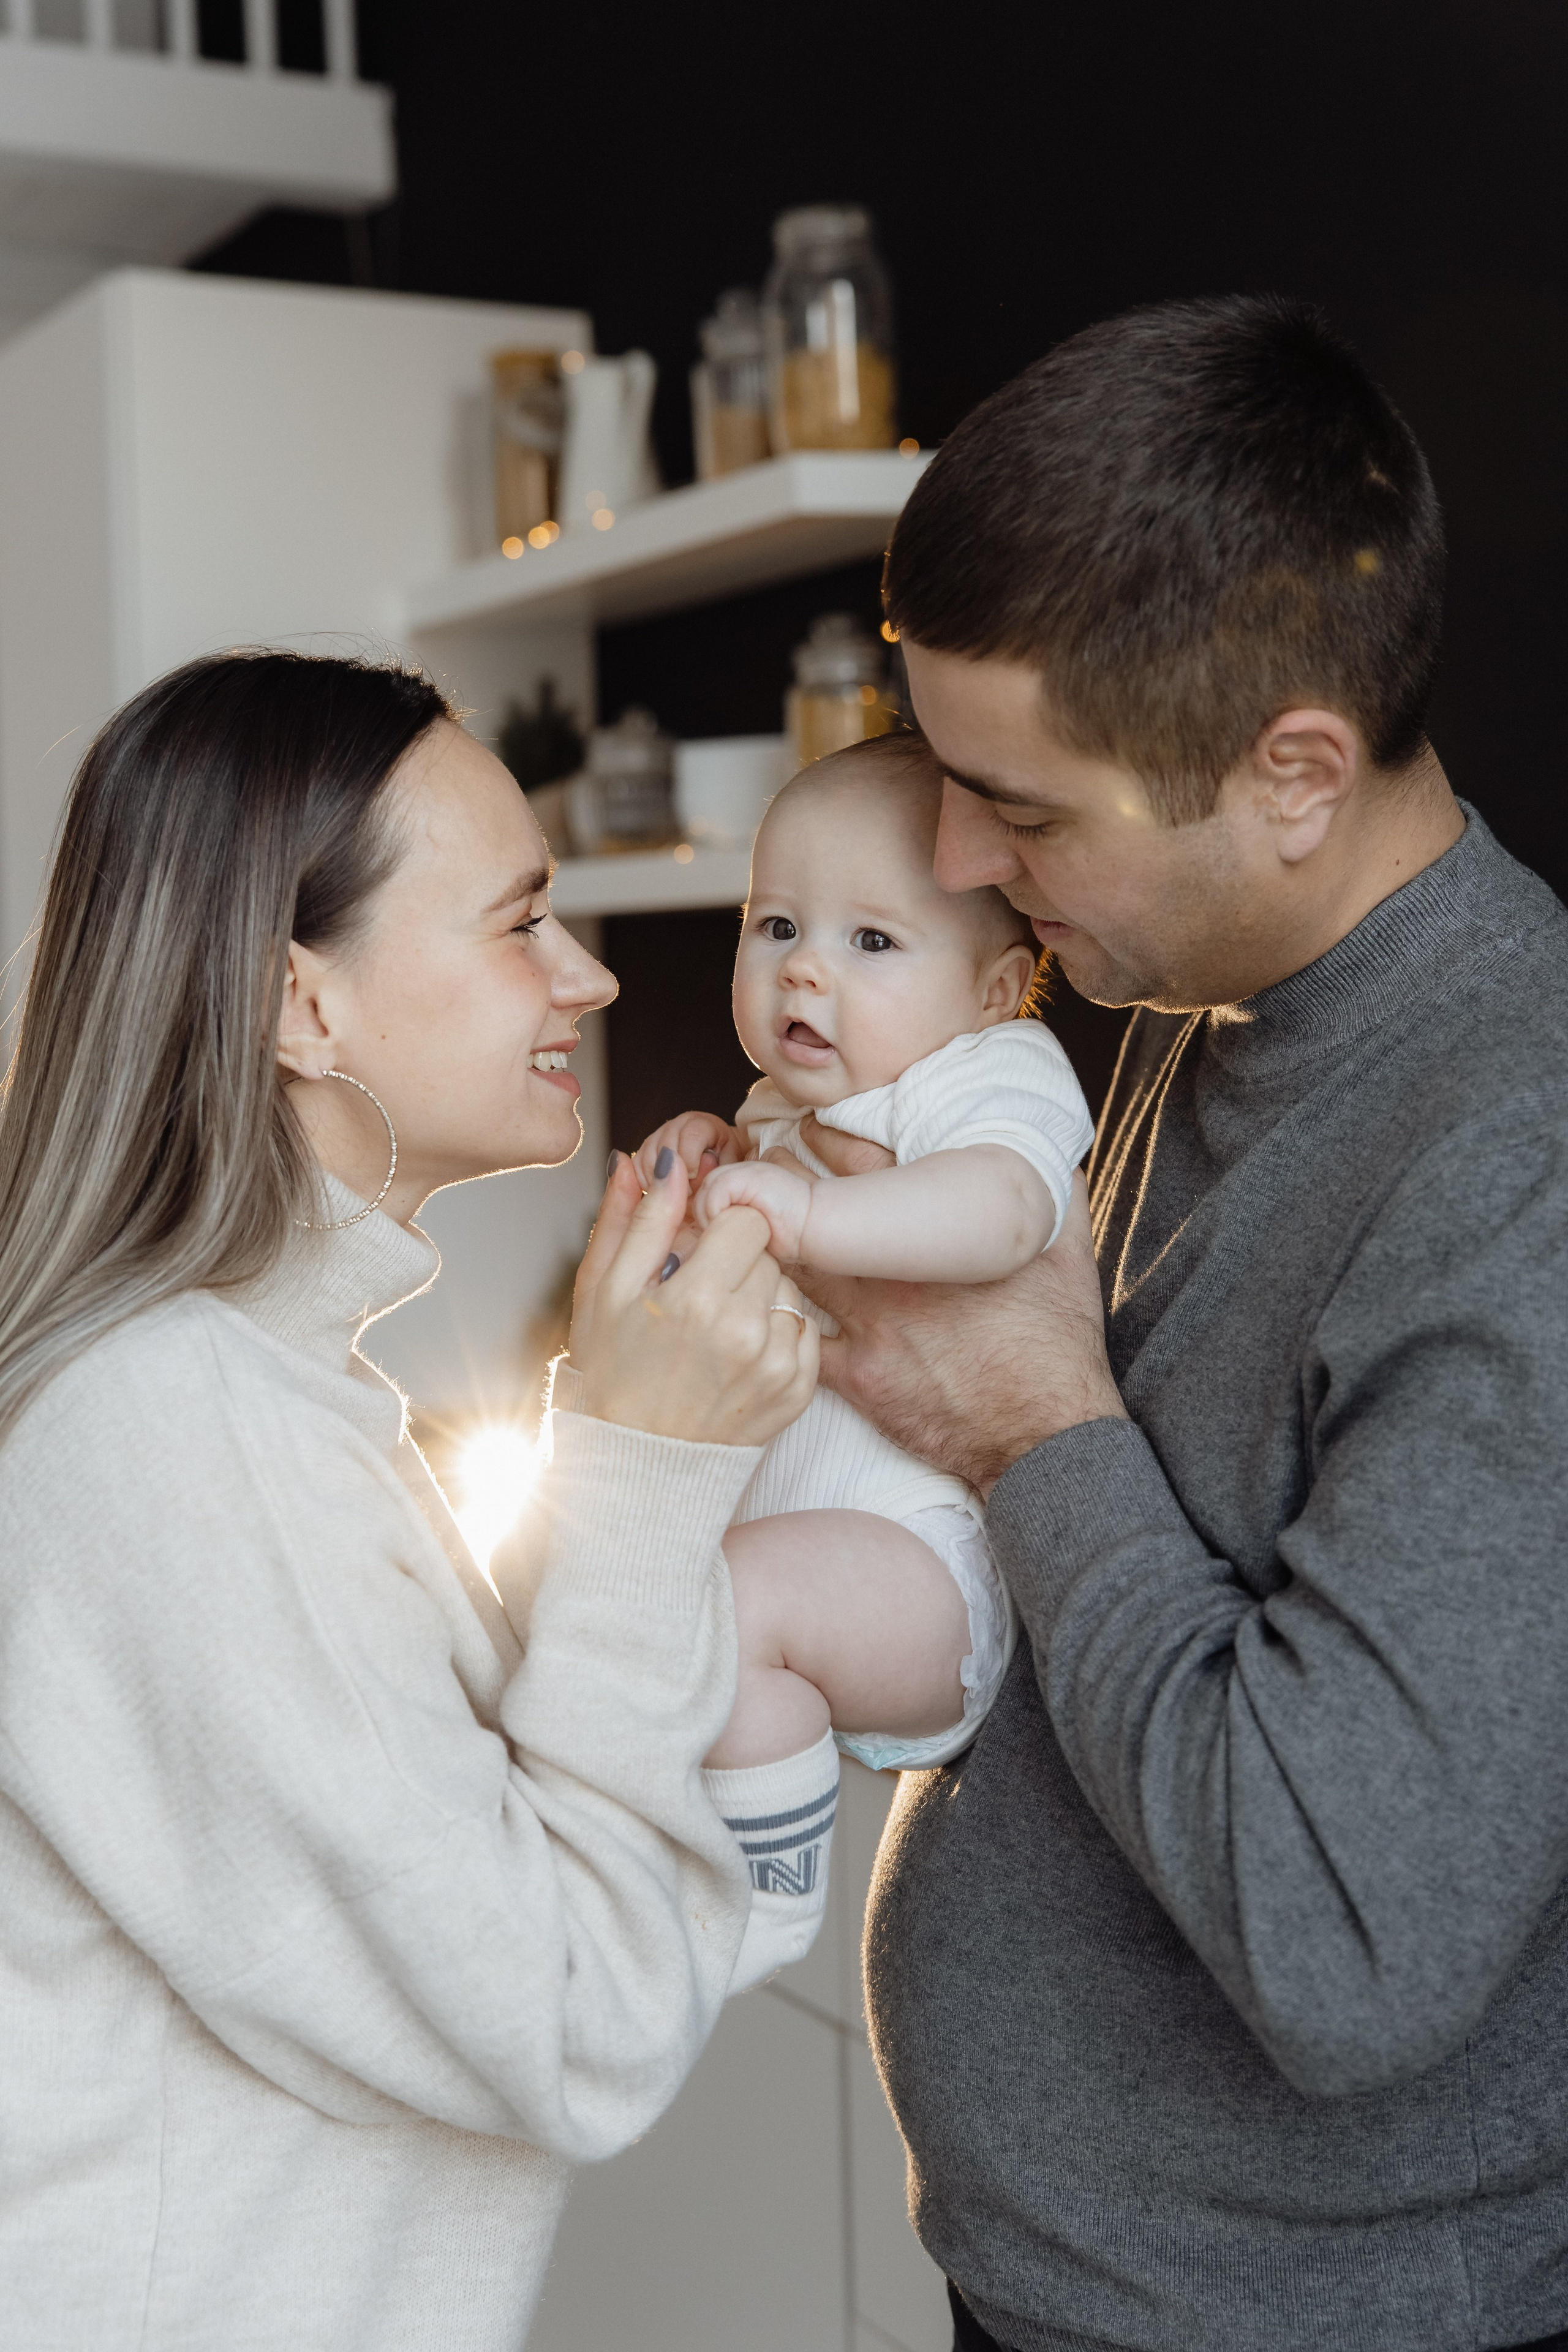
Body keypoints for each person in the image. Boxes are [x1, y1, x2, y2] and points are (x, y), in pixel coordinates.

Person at [790, 296, 1568, 2352]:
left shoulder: (1521, 1153)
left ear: (1292, 772)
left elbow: (1349, 1937)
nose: (956, 857)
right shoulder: (1192, 990)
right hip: (1076, 2284)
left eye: (1025, 811)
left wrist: (1035, 1426)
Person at [0, 649, 815, 2351]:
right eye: (522, 922)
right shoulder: (180, 1431)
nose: (588, 976)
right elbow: (573, 2022)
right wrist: (642, 1469)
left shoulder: (251, 1388)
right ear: (301, 1008)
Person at [624, 733, 1092, 1989]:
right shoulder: (785, 1109)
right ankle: (714, 1844)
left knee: (733, 1597)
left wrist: (811, 1216)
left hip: (929, 1577)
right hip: (817, 1569)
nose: (805, 970)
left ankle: (768, 1908)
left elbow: (1005, 1211)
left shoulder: (985, 1077)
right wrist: (717, 1162)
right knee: (696, 1601)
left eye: (871, 941)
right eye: (776, 925)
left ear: (996, 989)